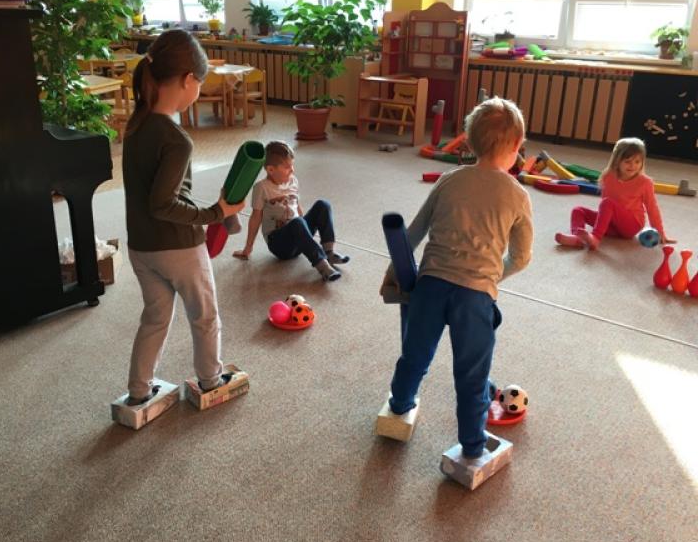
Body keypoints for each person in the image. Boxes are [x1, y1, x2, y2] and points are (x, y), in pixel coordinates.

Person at [381, 98, 533, 459]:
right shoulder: (517, 195)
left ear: (468, 141)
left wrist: (393, 273)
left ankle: (400, 404)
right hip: (475, 299)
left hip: (429, 287)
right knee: (472, 375)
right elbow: (522, 257)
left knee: (414, 355)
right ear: (516, 146)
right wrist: (491, 277)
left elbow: (412, 234)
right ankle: (473, 446)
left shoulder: (449, 180)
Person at [122, 29, 245, 406]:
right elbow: (163, 204)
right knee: (204, 316)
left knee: (155, 318)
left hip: (141, 247)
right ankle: (210, 380)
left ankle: (139, 390)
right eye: (200, 83)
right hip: (178, 248)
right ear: (189, 80)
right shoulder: (177, 140)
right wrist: (216, 213)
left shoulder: (136, 124)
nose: (199, 90)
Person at [232, 141, 349, 282]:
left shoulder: (293, 181)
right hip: (280, 245)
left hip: (297, 237)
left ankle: (329, 252)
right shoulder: (261, 188)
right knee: (297, 222)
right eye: (287, 167)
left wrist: (305, 231)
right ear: (270, 170)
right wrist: (248, 248)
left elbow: (297, 207)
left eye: (292, 165)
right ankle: (322, 265)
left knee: (323, 205)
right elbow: (256, 217)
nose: (292, 170)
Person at [554, 137, 674, 250]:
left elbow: (652, 208)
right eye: (627, 161)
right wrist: (603, 221)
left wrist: (660, 232)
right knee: (578, 210)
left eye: (637, 162)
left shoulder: (645, 182)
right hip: (611, 225)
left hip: (631, 226)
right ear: (617, 161)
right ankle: (577, 239)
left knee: (607, 203)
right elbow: (605, 207)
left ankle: (596, 238)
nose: (633, 166)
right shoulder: (608, 176)